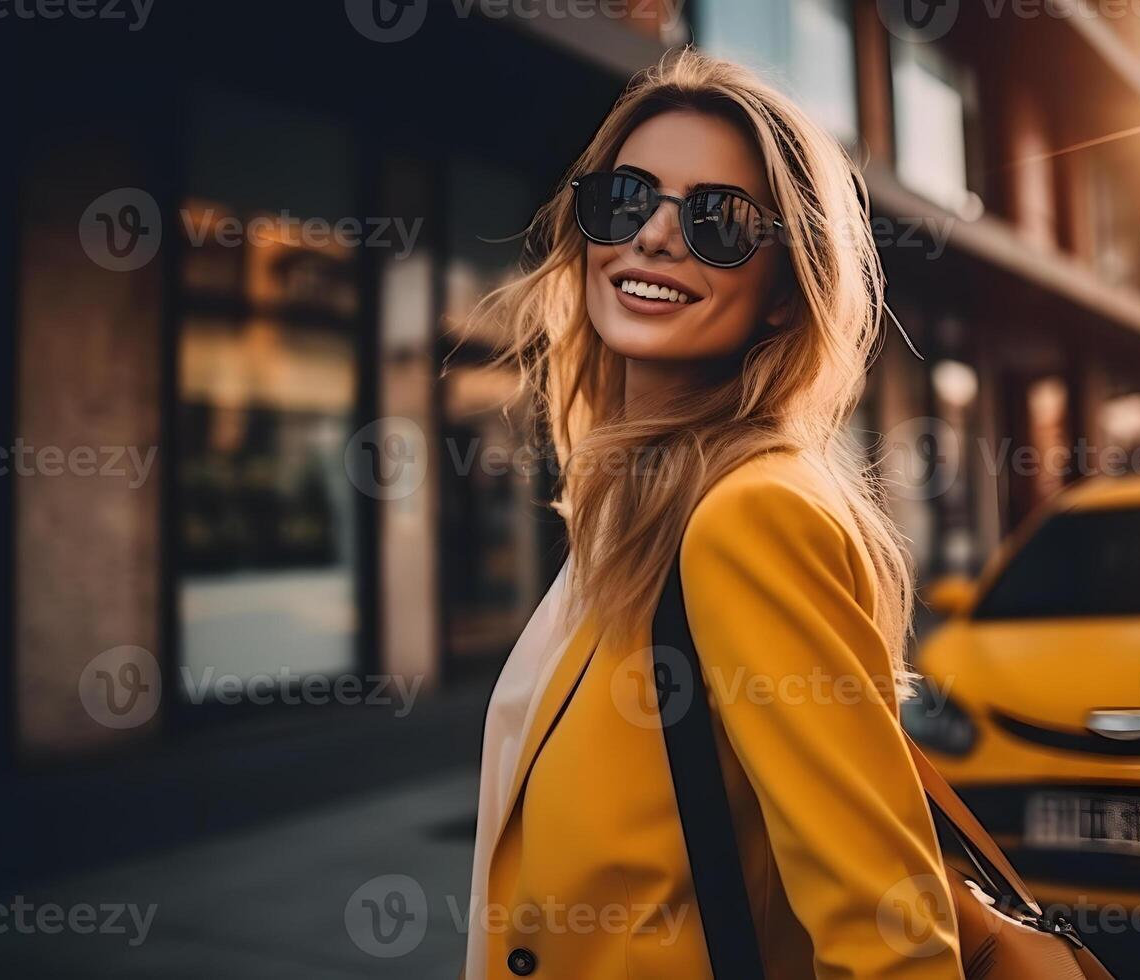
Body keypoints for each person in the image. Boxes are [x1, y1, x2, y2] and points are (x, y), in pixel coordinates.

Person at [461, 47, 964, 979]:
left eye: (718, 221)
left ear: (782, 295)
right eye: (627, 198)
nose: (654, 237)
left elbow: (890, 931)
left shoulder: (749, 513)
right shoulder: (644, 505)